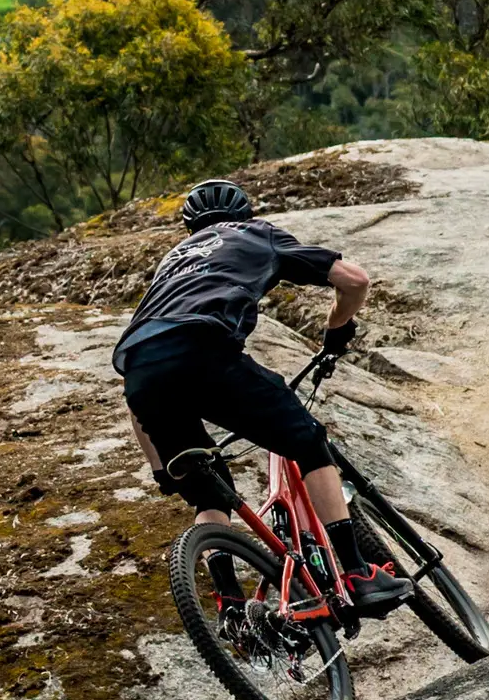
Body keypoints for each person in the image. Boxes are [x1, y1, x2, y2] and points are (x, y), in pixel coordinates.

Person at [115, 176, 413, 611]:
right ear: (245, 214)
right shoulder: (256, 233)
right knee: (308, 442)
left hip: (141, 372)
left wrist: (162, 470)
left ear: (189, 228)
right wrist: (336, 330)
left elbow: (133, 396)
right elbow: (354, 280)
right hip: (205, 354)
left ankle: (230, 604)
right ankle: (356, 573)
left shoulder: (170, 264)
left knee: (208, 494)